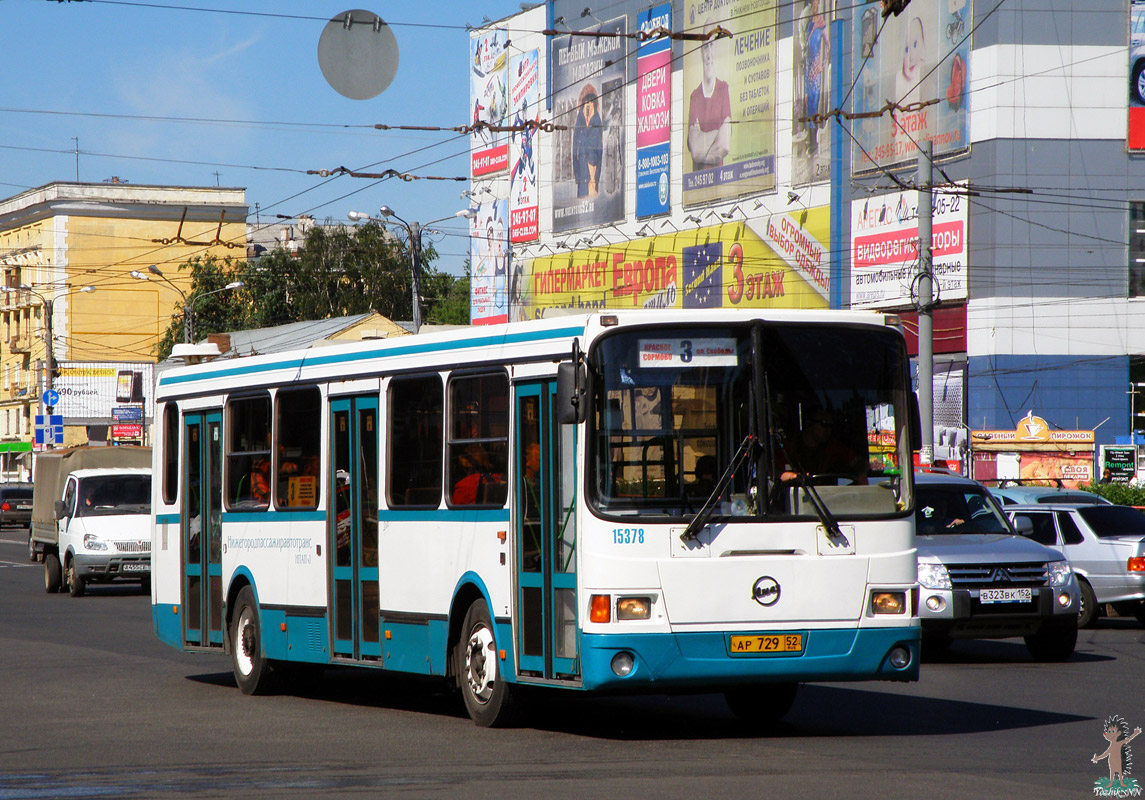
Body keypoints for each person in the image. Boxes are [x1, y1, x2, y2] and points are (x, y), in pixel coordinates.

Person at [687, 21, 732, 171]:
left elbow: (724, 146)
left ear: (717, 49)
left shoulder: (723, 89)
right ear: (701, 52)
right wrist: (716, 134)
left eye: (712, 45)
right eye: (705, 46)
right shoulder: (694, 97)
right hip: (696, 183)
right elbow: (695, 150)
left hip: (719, 180)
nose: (708, 54)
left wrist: (703, 139)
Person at [778, 410, 867, 484]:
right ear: (809, 423)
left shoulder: (833, 447)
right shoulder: (790, 446)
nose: (828, 429)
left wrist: (861, 473)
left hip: (826, 498)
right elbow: (776, 474)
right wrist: (793, 477)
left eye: (830, 425)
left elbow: (858, 462)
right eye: (824, 424)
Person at [572, 83, 603, 197]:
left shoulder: (596, 121)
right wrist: (577, 175)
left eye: (590, 102)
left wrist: (595, 178)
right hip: (582, 174)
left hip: (592, 175)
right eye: (585, 103)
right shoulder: (579, 122)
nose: (588, 106)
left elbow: (597, 152)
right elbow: (575, 151)